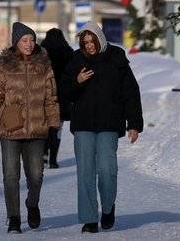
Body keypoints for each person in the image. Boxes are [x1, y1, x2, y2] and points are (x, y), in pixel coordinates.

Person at [59, 21, 143, 234]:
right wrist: (77, 81)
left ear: (99, 39)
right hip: (83, 125)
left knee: (107, 170)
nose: (89, 46)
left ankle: (108, 207)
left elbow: (130, 92)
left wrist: (134, 124)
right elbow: (64, 92)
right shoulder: (76, 60)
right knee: (85, 172)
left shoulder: (116, 58)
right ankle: (89, 219)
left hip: (109, 123)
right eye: (85, 42)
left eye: (92, 41)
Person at [0, 22, 61, 234]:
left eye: (32, 40)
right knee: (10, 175)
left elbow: (51, 100)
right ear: (16, 43)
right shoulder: (6, 67)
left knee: (36, 175)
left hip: (37, 129)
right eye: (24, 40)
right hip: (10, 129)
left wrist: (53, 127)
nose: (29, 44)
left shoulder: (44, 67)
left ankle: (32, 204)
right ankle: (13, 217)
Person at [40, 27, 73, 168]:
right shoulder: (69, 53)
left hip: (44, 96)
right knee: (57, 128)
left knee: (45, 128)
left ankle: (44, 156)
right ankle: (53, 160)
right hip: (62, 98)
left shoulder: (41, 53)